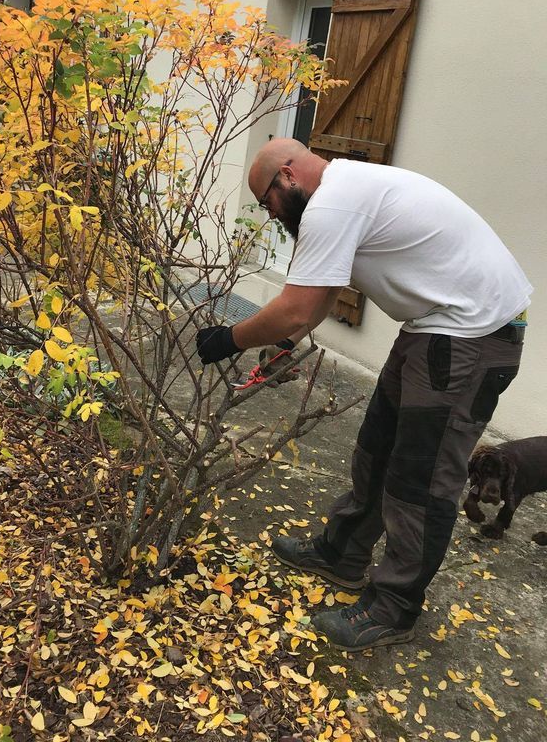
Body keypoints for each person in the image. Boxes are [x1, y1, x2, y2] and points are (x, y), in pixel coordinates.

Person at [196, 138, 532, 651]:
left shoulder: (333, 202)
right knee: (376, 447)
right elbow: (323, 291)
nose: (270, 215)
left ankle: (394, 609)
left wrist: (227, 339)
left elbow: (293, 306)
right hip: (436, 328)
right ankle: (342, 554)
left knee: (419, 480)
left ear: (287, 175)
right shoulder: (344, 191)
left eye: (266, 203)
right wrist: (285, 345)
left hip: (473, 337)